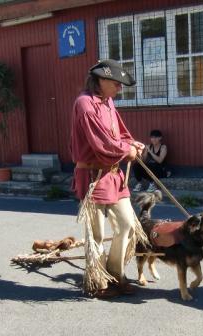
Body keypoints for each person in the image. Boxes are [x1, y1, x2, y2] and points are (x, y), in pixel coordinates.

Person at [70, 59, 147, 298]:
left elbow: (119, 132)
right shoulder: (85, 104)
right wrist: (127, 150)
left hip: (114, 175)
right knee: (96, 234)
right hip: (94, 176)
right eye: (116, 83)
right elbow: (102, 143)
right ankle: (98, 282)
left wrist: (131, 142)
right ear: (101, 81)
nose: (119, 88)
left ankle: (115, 274)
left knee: (127, 225)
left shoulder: (108, 102)